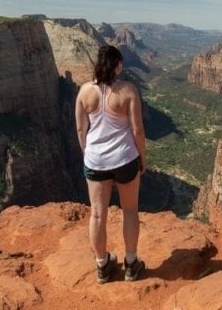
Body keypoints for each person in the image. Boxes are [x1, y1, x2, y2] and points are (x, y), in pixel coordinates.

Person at [76, 45, 147, 283]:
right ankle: (130, 263)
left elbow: (80, 129)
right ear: (116, 65)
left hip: (95, 161)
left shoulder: (84, 92)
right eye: (121, 63)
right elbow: (137, 130)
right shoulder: (128, 90)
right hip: (125, 159)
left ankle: (102, 266)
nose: (122, 66)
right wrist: (142, 158)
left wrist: (88, 154)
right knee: (130, 210)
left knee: (97, 214)